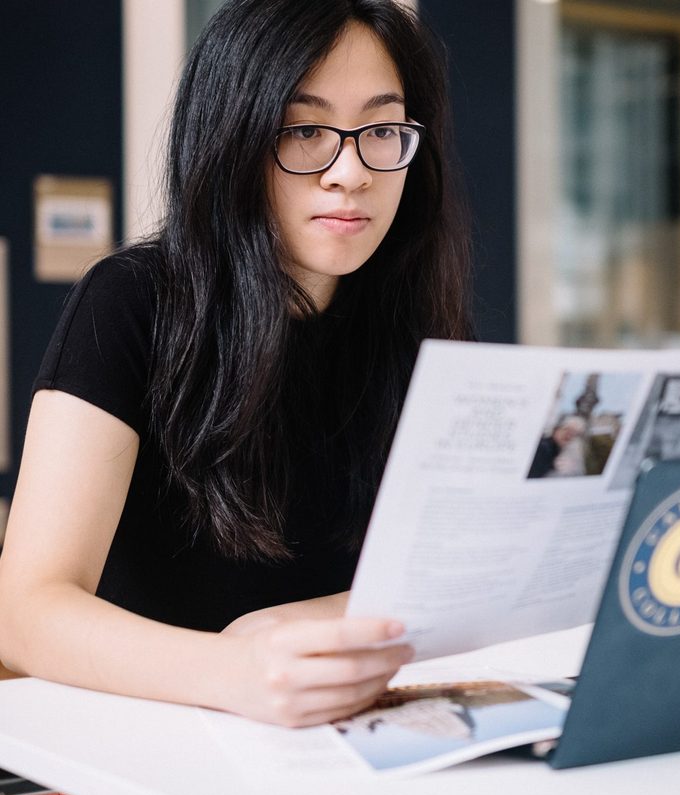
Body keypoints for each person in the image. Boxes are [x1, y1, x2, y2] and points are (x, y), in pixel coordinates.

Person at [0, 0, 472, 728]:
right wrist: (234, 667)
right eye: (305, 130)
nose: (350, 172)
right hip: (156, 744)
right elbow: (25, 613)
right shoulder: (131, 302)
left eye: (381, 130)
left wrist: (289, 628)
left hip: (345, 741)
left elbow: (447, 578)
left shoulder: (420, 330)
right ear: (233, 138)